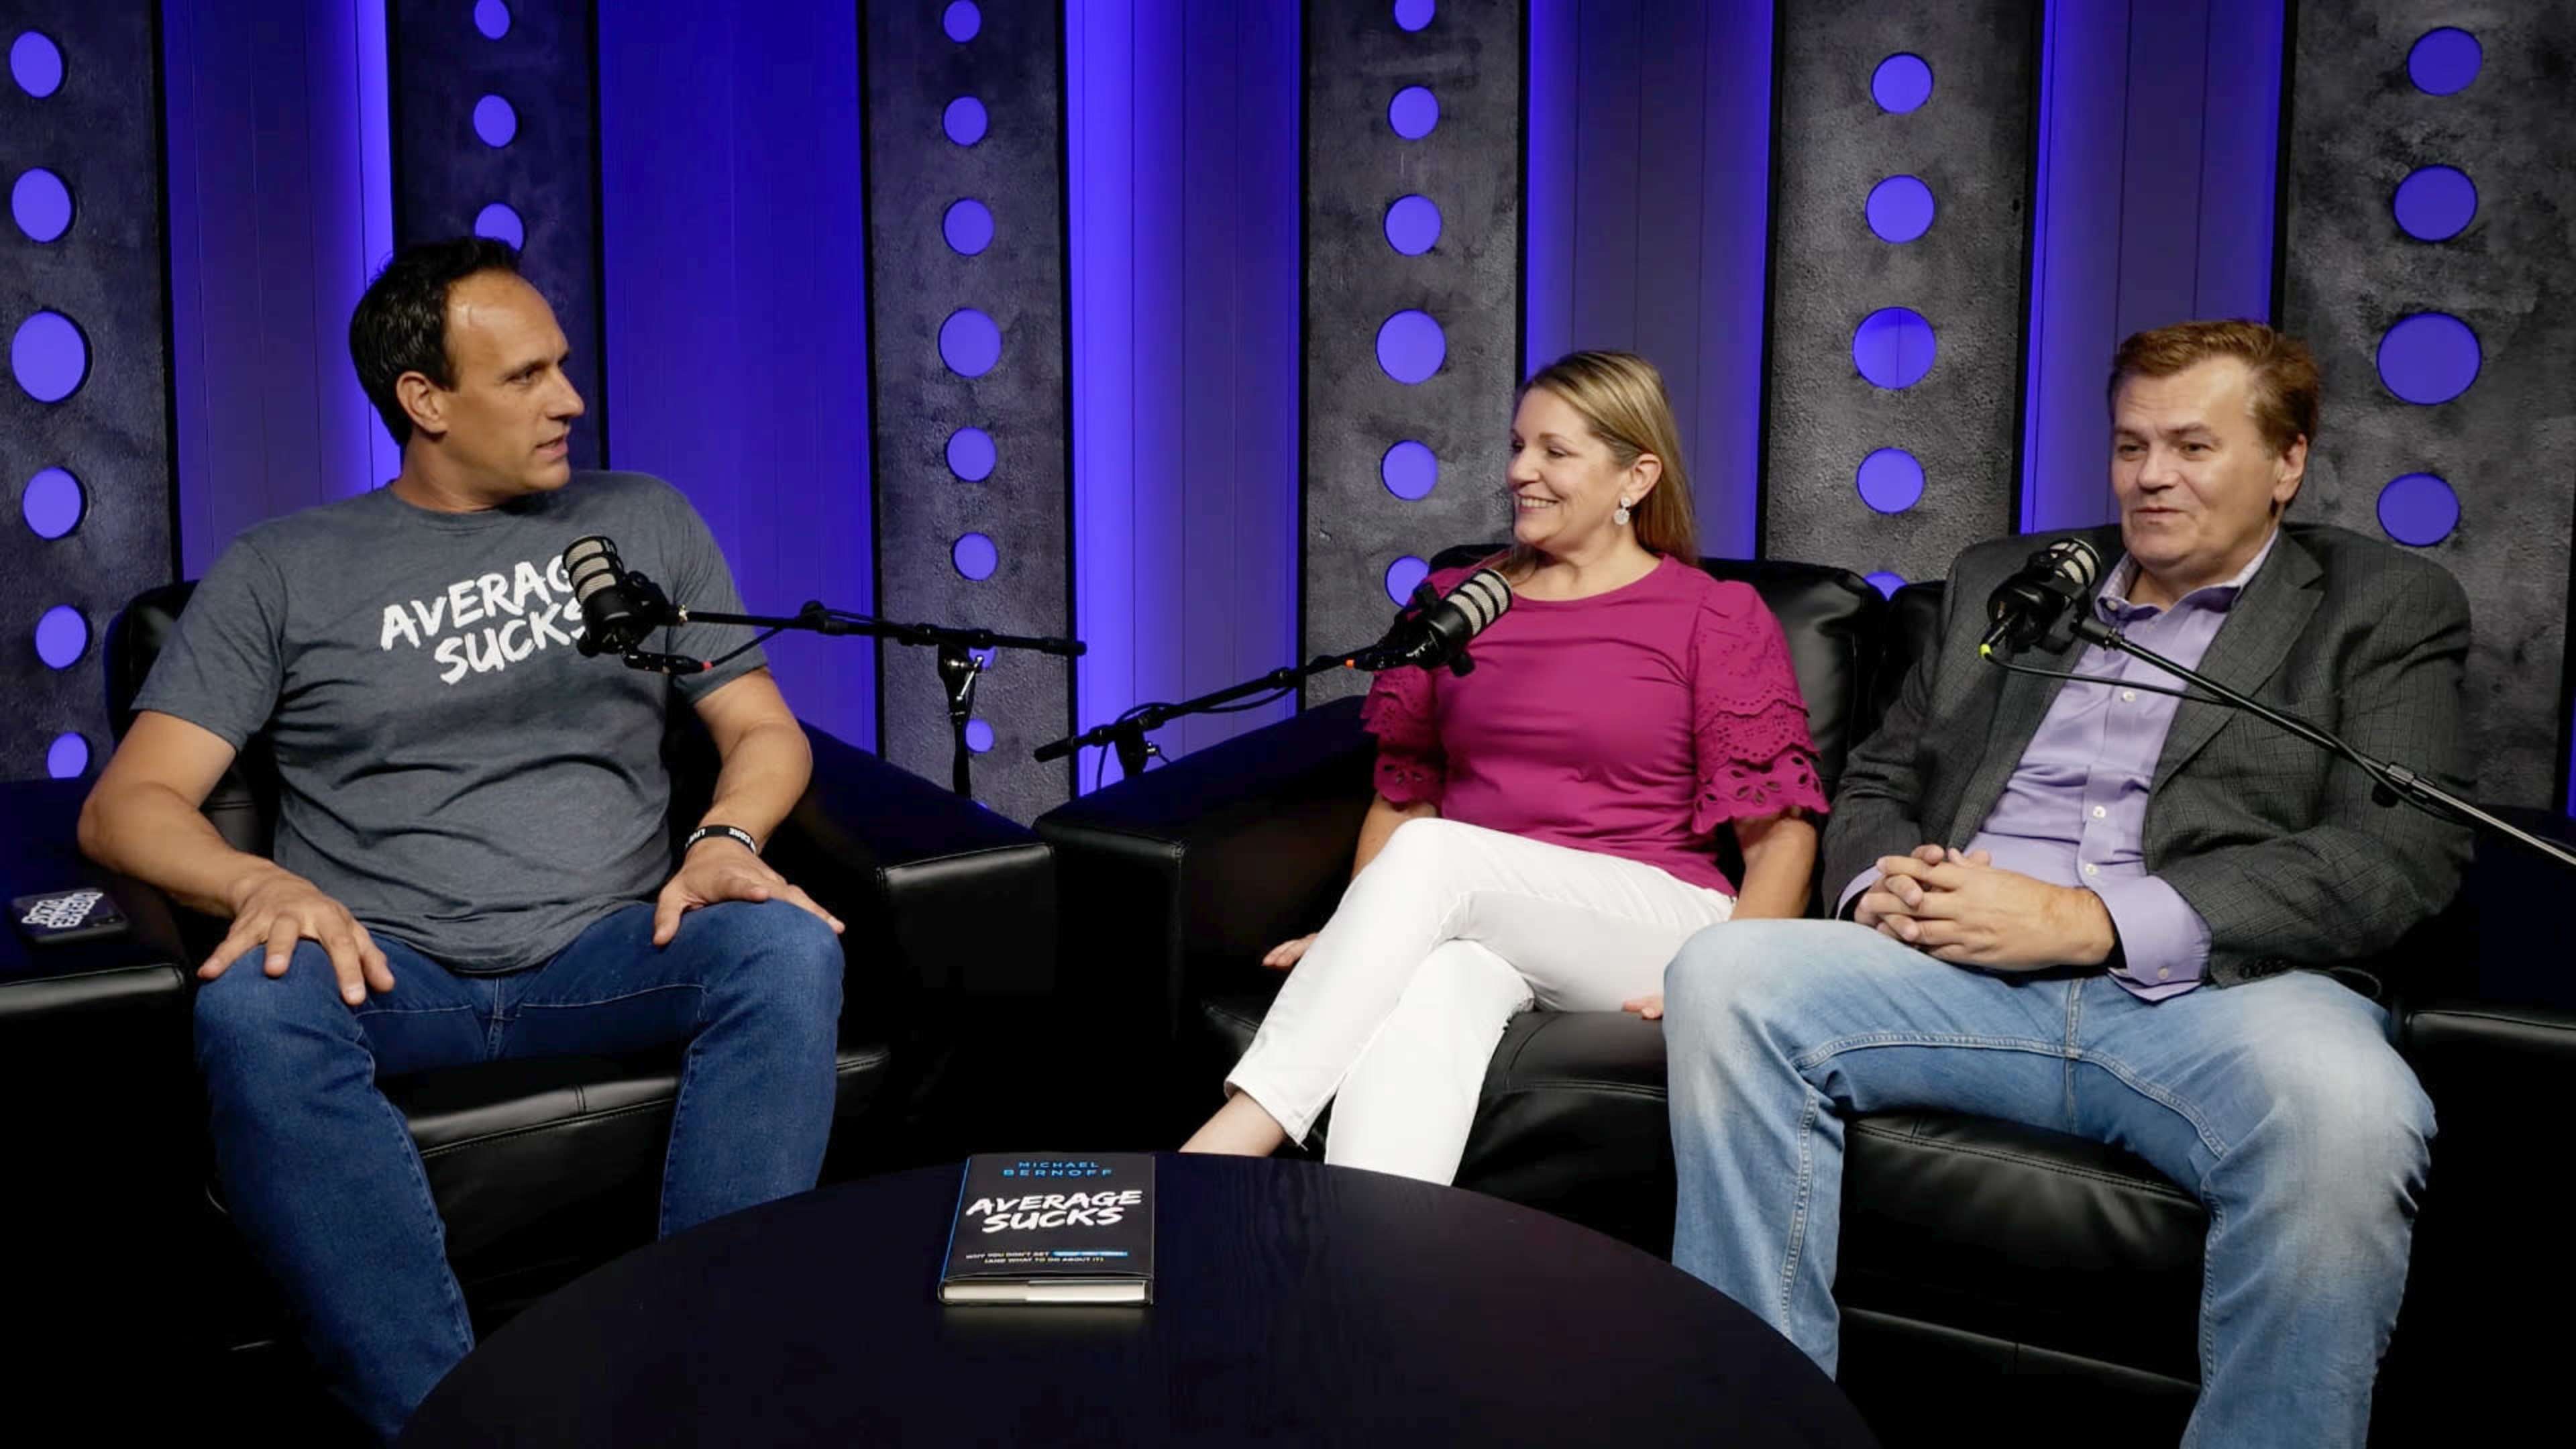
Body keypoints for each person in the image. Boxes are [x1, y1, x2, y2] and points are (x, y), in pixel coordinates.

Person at [77, 237, 847, 1440]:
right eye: (527, 377)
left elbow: (763, 729)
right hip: (391, 967)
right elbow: (126, 806)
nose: (570, 400)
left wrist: (725, 838)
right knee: (250, 1008)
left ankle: (707, 1385)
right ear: (423, 401)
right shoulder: (285, 570)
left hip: (611, 947)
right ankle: (448, 1423)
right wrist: (259, 882)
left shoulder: (640, 519)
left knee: (787, 950)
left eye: (566, 367)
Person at [1661, 320, 2471, 1447]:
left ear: (2287, 463)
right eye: (2132, 444)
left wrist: (2092, 921)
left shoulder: (2381, 604)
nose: (2152, 476)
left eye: (2193, 446)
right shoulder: (2017, 580)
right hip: (1953, 975)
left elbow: (2400, 851)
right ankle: (1760, 1420)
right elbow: (1884, 775)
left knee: (2354, 1116)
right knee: (1728, 970)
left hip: (2223, 1000)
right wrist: (1879, 888)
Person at [1181, 350, 1828, 1185]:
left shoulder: (1713, 616)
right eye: (1519, 446)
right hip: (1475, 916)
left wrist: (1731, 982)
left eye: (1555, 453)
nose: (1521, 472)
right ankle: (1364, 1268)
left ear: (1636, 476)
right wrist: (1368, 933)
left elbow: (1782, 835)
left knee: (1441, 858)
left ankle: (1233, 1139)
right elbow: (1406, 793)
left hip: (1658, 920)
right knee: (1434, 990)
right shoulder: (1459, 600)